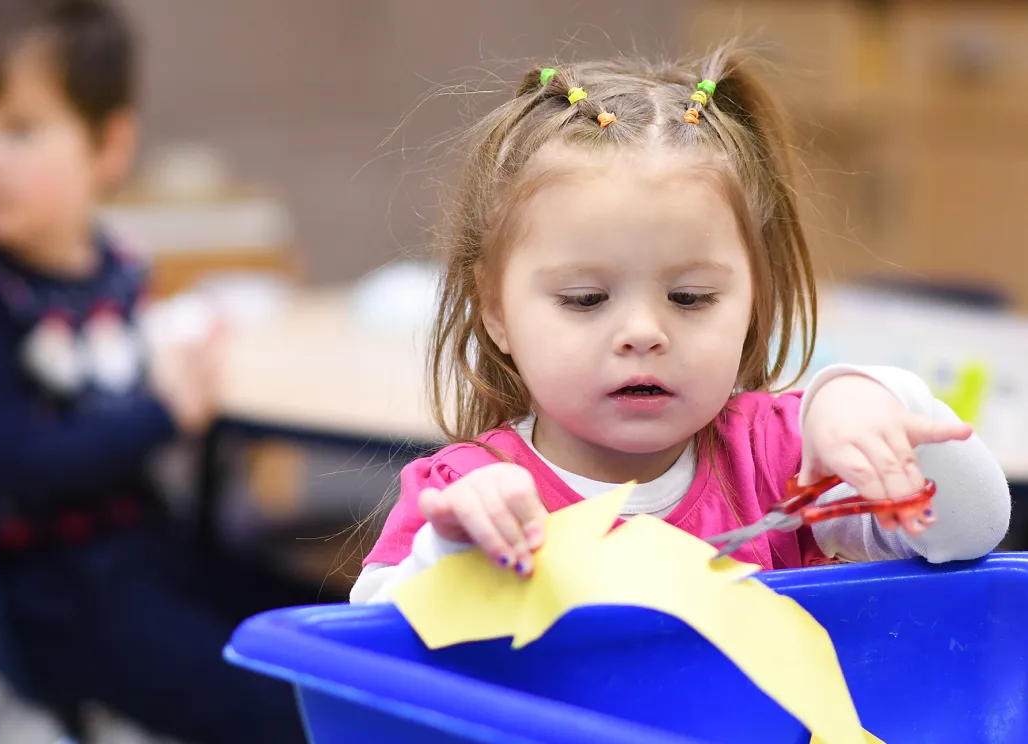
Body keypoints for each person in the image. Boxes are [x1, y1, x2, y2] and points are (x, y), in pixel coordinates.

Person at [352, 50, 1011, 604]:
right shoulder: (467, 491)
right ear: (494, 308)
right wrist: (455, 548)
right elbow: (367, 645)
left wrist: (880, 398)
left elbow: (972, 532)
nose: (643, 332)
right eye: (585, 299)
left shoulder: (785, 465)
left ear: (757, 300)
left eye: (691, 297)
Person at [0, 2, 320, 741]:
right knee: (280, 703)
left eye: (18, 130)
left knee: (335, 631)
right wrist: (162, 412)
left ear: (109, 145)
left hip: (145, 554)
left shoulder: (116, 264)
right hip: (54, 597)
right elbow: (20, 463)